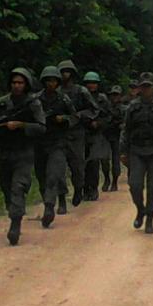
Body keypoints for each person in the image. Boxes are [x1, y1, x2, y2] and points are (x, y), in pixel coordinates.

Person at [0, 68, 46, 246]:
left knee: (18, 187)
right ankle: (14, 211)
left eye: (20, 83)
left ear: (26, 84)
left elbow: (41, 127)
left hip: (24, 152)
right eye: (14, 82)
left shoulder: (33, 104)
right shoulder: (2, 103)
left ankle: (15, 223)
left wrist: (21, 125)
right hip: (5, 152)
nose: (17, 86)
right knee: (6, 187)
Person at [120, 73, 153, 234]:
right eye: (143, 86)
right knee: (135, 185)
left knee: (152, 187)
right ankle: (140, 209)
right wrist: (123, 151)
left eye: (148, 86)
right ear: (139, 88)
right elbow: (126, 130)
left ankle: (150, 218)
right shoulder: (132, 107)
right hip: (137, 150)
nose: (146, 89)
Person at [33, 66, 78, 227]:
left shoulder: (63, 99)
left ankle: (49, 206)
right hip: (39, 143)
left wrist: (63, 119)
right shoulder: (35, 99)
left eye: (53, 81)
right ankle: (48, 201)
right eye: (48, 81)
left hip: (58, 143)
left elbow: (74, 117)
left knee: (54, 175)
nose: (51, 84)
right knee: (41, 177)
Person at [59, 60, 99, 206]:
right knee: (57, 169)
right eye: (62, 72)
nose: (65, 75)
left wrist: (79, 115)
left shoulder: (81, 91)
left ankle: (78, 188)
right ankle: (61, 199)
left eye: (68, 71)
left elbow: (94, 109)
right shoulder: (55, 92)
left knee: (77, 167)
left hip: (76, 134)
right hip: (59, 134)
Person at [82, 71, 111, 201]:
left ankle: (93, 188)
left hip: (97, 134)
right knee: (81, 164)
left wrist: (98, 123)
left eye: (94, 83)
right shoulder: (80, 96)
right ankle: (84, 189)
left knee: (94, 162)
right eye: (89, 83)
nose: (91, 85)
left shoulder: (102, 99)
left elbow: (109, 116)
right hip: (82, 133)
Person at [102, 85, 126, 191]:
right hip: (106, 135)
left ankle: (114, 181)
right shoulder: (106, 108)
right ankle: (107, 178)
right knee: (104, 160)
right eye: (113, 95)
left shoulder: (125, 109)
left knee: (116, 161)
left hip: (117, 136)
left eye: (117, 95)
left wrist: (122, 125)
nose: (115, 97)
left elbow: (127, 123)